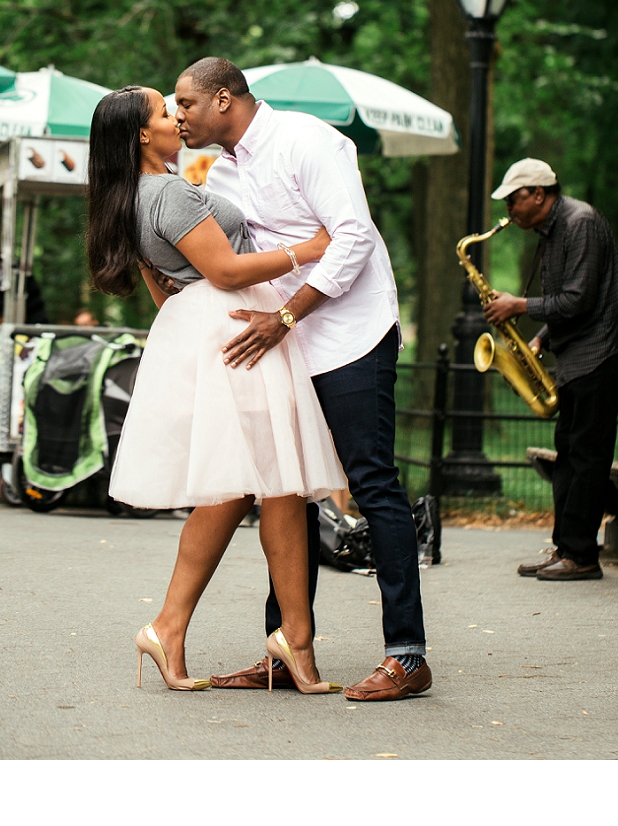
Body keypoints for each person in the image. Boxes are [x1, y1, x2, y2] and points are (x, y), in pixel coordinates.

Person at [175, 57, 432, 702]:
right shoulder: (219, 170)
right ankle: (286, 650)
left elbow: (353, 239)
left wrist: (286, 315)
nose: (178, 115)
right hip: (285, 340)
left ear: (224, 99)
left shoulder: (305, 140)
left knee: (372, 482)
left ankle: (407, 654)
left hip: (349, 334)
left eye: (186, 103)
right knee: (282, 490)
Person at [89, 86, 346, 693]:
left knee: (269, 484)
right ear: (141, 137)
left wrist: (194, 305)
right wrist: (308, 249)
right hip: (236, 325)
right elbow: (225, 271)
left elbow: (163, 285)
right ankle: (194, 629)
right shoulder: (169, 194)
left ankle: (280, 638)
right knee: (260, 482)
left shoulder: (133, 198)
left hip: (210, 326)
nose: (176, 116)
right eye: (162, 112)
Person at [482, 158, 618, 581]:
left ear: (539, 193)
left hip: (603, 350)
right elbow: (568, 302)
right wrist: (540, 339)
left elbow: (578, 300)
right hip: (578, 352)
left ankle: (582, 556)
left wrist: (519, 306)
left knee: (587, 455)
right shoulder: (551, 229)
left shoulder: (580, 223)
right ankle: (566, 548)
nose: (510, 210)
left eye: (514, 200)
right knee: (569, 452)